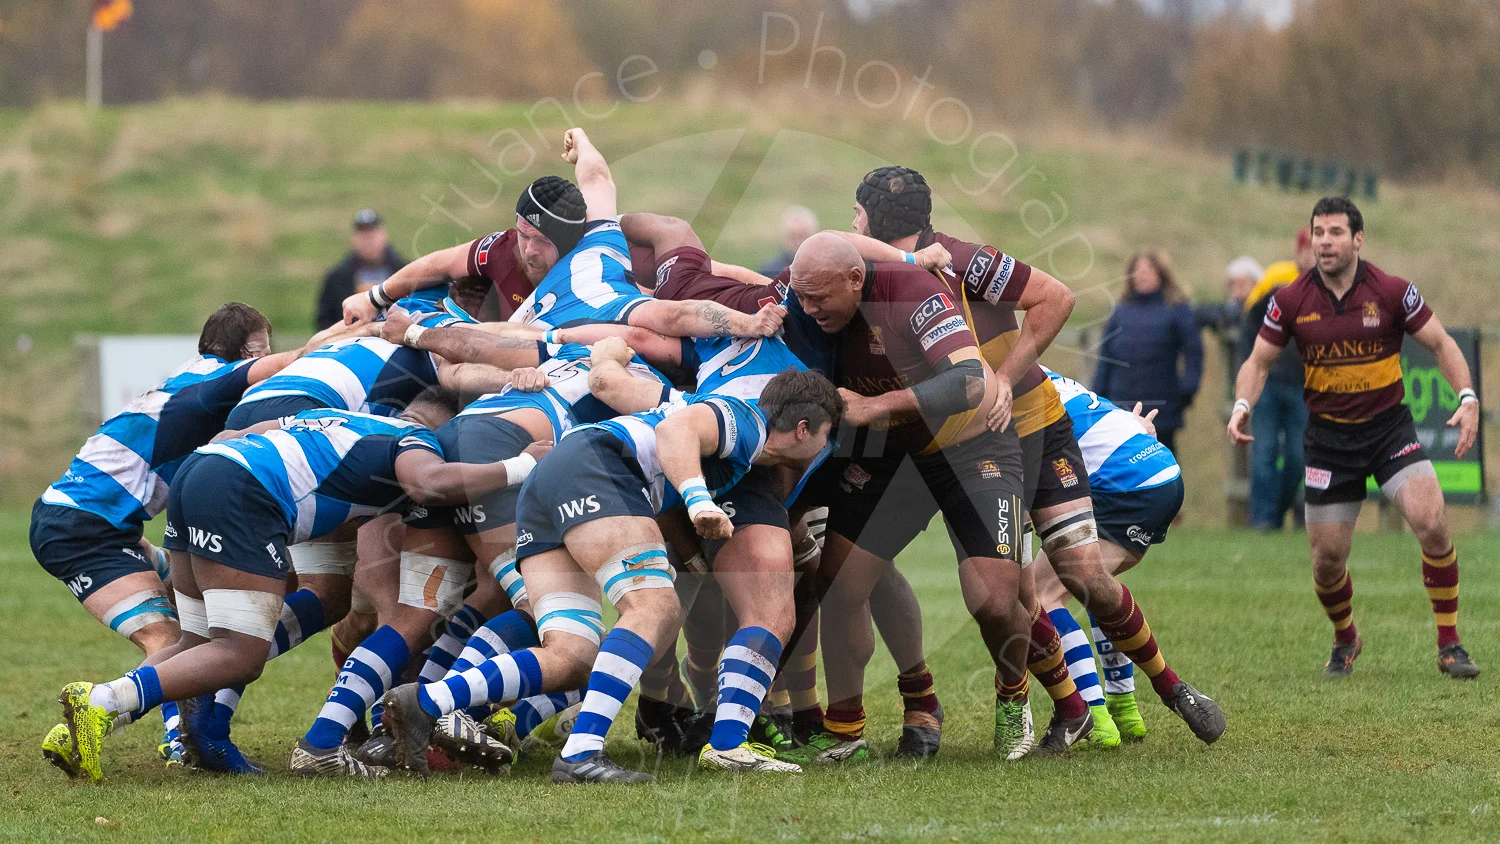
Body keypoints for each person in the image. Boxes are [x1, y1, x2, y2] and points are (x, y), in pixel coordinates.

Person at [840, 166, 1222, 755]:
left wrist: (1002, 377)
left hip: (1039, 429)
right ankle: (1068, 707)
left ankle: (1171, 688)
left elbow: (1056, 297)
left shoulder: (963, 261)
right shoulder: (869, 276)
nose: (852, 223)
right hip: (971, 452)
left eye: (858, 212)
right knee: (1011, 595)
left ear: (874, 218)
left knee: (1083, 575)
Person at [379, 368, 842, 782]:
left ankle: (426, 701)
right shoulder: (749, 420)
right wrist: (699, 500)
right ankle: (587, 752)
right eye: (828, 435)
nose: (827, 447)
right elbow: (678, 429)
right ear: (804, 429)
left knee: (572, 654)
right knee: (655, 607)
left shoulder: (743, 447)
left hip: (550, 481)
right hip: (597, 468)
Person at [31, 305, 363, 777]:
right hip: (81, 530)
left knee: (204, 621)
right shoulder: (219, 383)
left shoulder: (196, 376)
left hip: (107, 527)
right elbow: (298, 358)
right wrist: (372, 329)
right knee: (168, 636)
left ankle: (101, 718)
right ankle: (176, 740)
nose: (267, 358)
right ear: (248, 351)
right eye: (262, 348)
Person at [1229, 196, 1481, 679]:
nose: (1325, 242)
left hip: (1389, 432)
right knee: (1327, 561)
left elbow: (1442, 344)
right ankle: (1346, 636)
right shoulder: (1290, 299)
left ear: (1358, 239)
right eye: (1318, 233)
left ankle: (1449, 644)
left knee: (1431, 522)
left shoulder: (1391, 291)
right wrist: (1243, 405)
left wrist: (1467, 396)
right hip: (1329, 442)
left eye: (1336, 232)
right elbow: (1258, 362)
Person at [339, 129, 784, 341]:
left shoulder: (602, 252)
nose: (528, 250)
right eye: (523, 233)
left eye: (542, 241)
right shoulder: (503, 248)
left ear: (571, 240)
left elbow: (706, 281)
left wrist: (767, 303)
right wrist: (374, 297)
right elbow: (439, 262)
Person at [1029, 367, 1187, 748]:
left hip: (1125, 484)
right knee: (1097, 582)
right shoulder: (1039, 371)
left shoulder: (1002, 387)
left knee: (1041, 595)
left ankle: (1094, 715)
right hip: (1162, 470)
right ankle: (1124, 707)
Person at [1094, 250, 1204, 453]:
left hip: (1162, 408)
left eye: (1148, 269)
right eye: (1138, 270)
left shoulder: (1176, 308)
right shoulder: (1120, 311)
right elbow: (1106, 358)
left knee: (1161, 461)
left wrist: (1188, 389)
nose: (1142, 275)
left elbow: (1193, 350)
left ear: (1161, 273)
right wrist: (1098, 397)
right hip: (1121, 406)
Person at [1241, 233, 1314, 531]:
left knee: (1299, 455)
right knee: (1264, 451)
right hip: (1269, 381)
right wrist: (1250, 367)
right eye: (1308, 249)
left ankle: (1279, 509)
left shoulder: (1328, 289)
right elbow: (1249, 320)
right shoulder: (1277, 279)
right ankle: (1262, 520)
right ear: (1299, 251)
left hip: (1304, 384)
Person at [315, 210, 407, 330]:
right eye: (363, 235)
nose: (368, 240)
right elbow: (324, 320)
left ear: (384, 234)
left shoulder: (404, 271)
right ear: (354, 238)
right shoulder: (336, 278)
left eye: (372, 233)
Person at [758, 205, 819, 278]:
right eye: (793, 236)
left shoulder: (825, 268)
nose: (798, 241)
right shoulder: (769, 271)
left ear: (815, 236)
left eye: (802, 235)